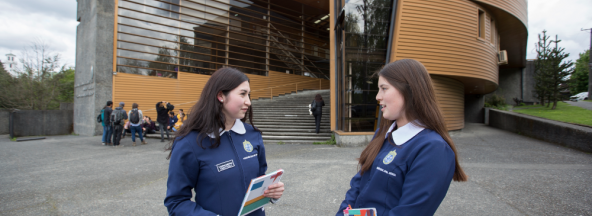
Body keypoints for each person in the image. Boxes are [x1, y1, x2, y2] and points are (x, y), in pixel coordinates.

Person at [336, 59, 468, 216]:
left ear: (409, 90)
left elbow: (411, 211)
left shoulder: (434, 149)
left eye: (384, 88)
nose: (378, 97)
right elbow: (357, 184)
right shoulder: (382, 134)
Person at [164, 67, 284, 215]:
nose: (249, 102)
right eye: (242, 94)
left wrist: (272, 192)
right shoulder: (189, 143)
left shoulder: (253, 135)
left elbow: (259, 180)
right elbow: (176, 202)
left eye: (249, 95)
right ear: (221, 96)